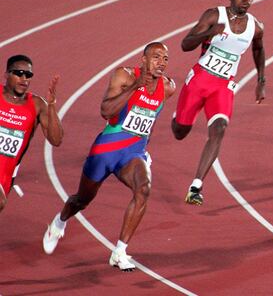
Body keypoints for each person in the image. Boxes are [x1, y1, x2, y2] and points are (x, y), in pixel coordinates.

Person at [42, 42, 175, 272]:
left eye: (165, 58)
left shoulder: (167, 87)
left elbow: (149, 121)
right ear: (142, 60)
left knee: (143, 189)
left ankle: (120, 251)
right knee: (82, 200)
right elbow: (106, 110)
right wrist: (135, 86)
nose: (161, 62)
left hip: (133, 153)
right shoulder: (123, 76)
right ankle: (59, 222)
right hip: (105, 151)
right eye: (155, 57)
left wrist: (145, 149)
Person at [171, 0, 265, 206]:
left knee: (220, 129)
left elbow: (259, 49)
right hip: (199, 81)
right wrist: (210, 32)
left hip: (223, 86)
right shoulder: (214, 16)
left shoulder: (256, 26)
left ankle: (195, 186)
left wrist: (261, 79)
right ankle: (178, 118)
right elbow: (185, 44)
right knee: (180, 131)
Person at [1, 55, 63, 214]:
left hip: (5, 178)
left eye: (28, 75)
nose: (24, 78)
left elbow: (56, 140)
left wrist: (51, 106)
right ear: (7, 74)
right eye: (18, 73)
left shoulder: (37, 104)